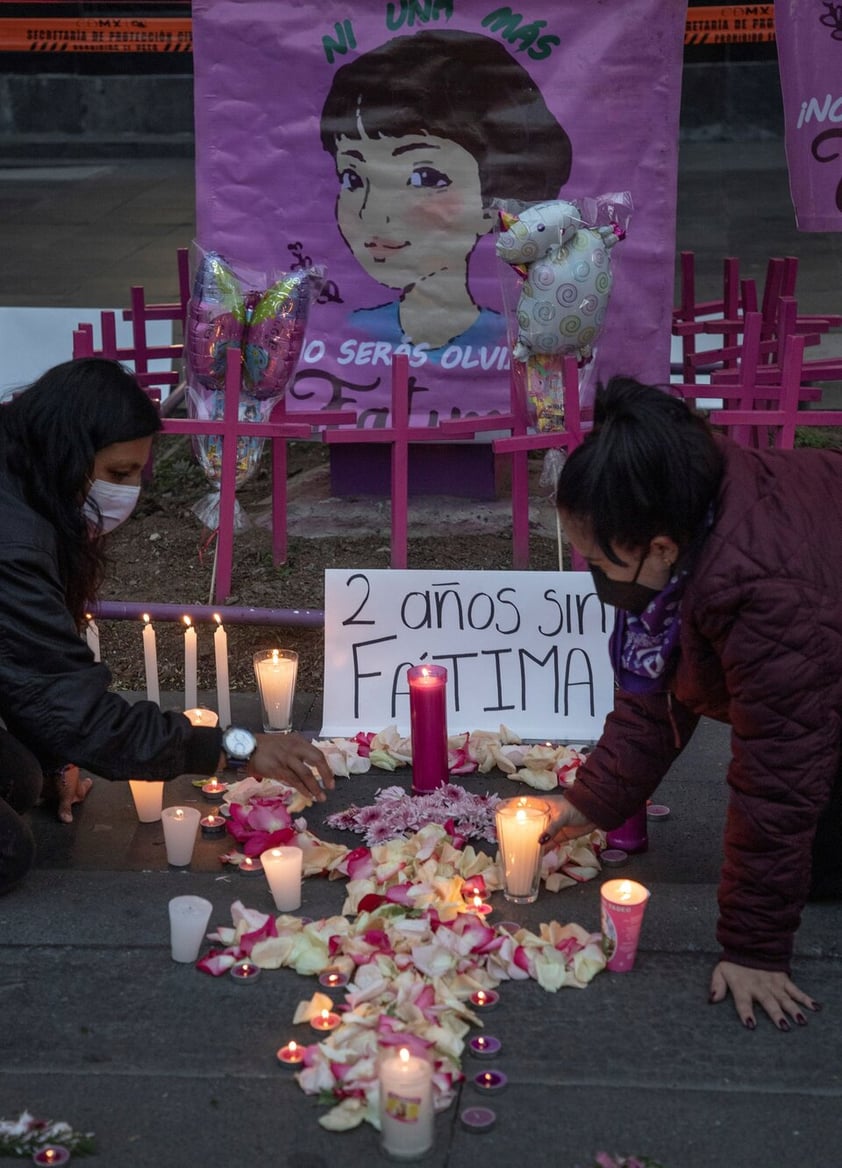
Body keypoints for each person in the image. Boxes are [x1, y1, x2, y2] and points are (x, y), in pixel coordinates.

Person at [543, 376, 842, 1030]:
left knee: (815, 855)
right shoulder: (692, 503)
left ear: (658, 550)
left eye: (596, 559)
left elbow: (781, 770)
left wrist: (755, 948)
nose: (588, 572)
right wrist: (595, 799)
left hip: (819, 641)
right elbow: (658, 697)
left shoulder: (762, 590)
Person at [0, 358, 334, 894]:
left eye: (135, 473)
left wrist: (53, 754)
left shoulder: (20, 471)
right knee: (8, 853)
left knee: (22, 777)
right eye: (116, 474)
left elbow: (28, 666)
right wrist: (238, 745)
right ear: (65, 453)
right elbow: (79, 713)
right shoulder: (13, 545)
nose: (127, 493)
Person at [319, 29, 572, 357]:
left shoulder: (519, 344)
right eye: (353, 178)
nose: (373, 212)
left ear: (492, 201)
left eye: (424, 177)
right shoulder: (343, 336)